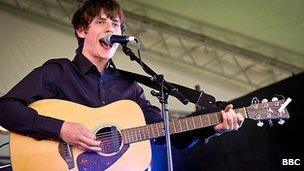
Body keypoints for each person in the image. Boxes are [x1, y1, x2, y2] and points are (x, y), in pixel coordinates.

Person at [0, 0, 244, 169]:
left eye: (116, 24)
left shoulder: (130, 89)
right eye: (101, 21)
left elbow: (167, 132)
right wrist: (61, 128)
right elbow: (5, 108)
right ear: (82, 30)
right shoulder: (58, 72)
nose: (111, 28)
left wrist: (214, 127)